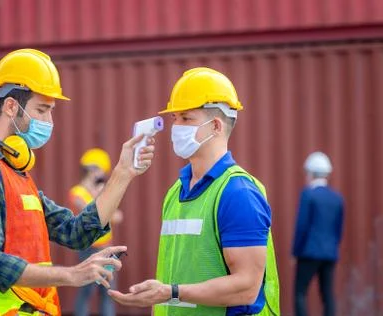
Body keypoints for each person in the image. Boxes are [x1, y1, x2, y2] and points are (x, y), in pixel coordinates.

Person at [0, 48, 155, 316]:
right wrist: (71, 275)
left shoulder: (15, 171)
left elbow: (75, 232)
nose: (49, 121)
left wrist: (123, 173)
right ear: (10, 106)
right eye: (42, 110)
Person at [108, 67, 280, 315]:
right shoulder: (175, 191)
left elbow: (246, 288)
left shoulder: (238, 193)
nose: (176, 127)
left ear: (216, 126)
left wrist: (171, 292)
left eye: (186, 119)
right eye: (175, 118)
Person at [70, 148, 123, 316]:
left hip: (107, 249)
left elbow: (117, 216)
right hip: (89, 250)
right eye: (100, 170)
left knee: (107, 291)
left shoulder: (102, 193)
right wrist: (99, 194)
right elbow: (94, 214)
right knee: (86, 290)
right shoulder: (77, 192)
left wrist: (102, 195)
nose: (102, 175)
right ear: (91, 170)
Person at [293, 152, 344, 316]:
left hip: (308, 252)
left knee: (300, 291)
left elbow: (302, 226)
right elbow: (338, 229)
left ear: (310, 173)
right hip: (330, 253)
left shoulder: (308, 194)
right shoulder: (337, 198)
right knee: (327, 293)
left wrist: (295, 252)